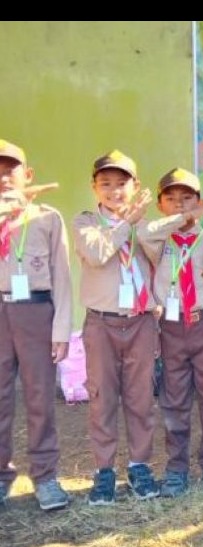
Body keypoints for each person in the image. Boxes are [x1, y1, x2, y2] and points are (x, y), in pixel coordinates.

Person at [73, 150, 160, 505]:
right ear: (94, 188)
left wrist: (141, 225)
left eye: (122, 183)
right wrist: (128, 223)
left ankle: (140, 465)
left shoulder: (145, 225)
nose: (114, 191)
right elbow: (97, 254)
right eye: (105, 183)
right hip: (102, 323)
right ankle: (104, 470)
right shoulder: (85, 223)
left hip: (140, 323)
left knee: (141, 398)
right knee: (102, 398)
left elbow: (161, 260)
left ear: (135, 186)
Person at [139, 168, 203, 497]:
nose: (179, 204)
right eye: (171, 199)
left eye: (187, 198)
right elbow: (144, 233)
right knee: (174, 400)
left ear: (200, 201)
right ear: (160, 205)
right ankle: (176, 466)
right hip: (171, 328)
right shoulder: (157, 241)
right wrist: (180, 219)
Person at [0, 139, 72, 511]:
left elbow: (62, 276)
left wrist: (61, 330)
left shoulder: (46, 217)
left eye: (10, 171)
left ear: (27, 175)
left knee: (40, 397)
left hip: (35, 311)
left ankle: (45, 476)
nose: (3, 178)